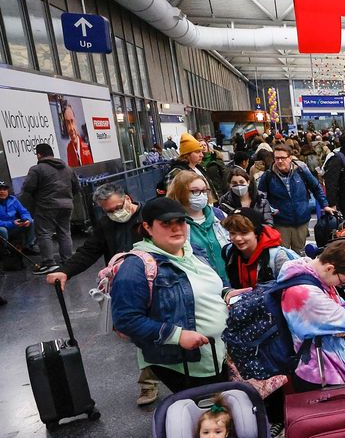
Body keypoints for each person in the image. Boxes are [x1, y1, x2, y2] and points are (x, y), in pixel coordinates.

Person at [45, 184, 157, 404]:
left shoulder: (150, 215)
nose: (115, 213)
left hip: (157, 280)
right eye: (108, 211)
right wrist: (65, 271)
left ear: (127, 198)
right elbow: (89, 251)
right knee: (142, 336)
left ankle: (162, 379)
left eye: (117, 207)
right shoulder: (106, 225)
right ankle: (149, 382)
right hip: (127, 287)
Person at [111, 197, 230, 394]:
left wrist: (227, 293)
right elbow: (126, 320)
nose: (176, 228)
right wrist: (177, 335)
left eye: (180, 221)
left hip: (218, 354)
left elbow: (207, 288)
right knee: (206, 411)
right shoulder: (135, 267)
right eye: (166, 223)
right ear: (148, 227)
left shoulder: (193, 252)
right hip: (186, 364)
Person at [277, 240, 345, 388]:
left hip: (326, 367)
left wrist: (343, 322)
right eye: (343, 282)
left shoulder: (314, 275)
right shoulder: (305, 293)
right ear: (330, 268)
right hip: (318, 375)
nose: (340, 286)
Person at [258, 143, 331, 254]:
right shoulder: (268, 175)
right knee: (283, 254)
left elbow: (316, 187)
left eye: (283, 158)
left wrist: (325, 205)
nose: (280, 161)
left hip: (301, 220)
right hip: (281, 222)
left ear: (290, 158)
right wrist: (270, 211)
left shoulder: (301, 170)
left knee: (299, 253)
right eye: (277, 158)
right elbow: (261, 198)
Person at [23, 143, 80, 275]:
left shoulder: (37, 169)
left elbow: (28, 188)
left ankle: (49, 263)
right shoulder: (67, 168)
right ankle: (67, 260)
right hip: (67, 205)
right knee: (64, 232)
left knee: (44, 233)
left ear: (39, 155)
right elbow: (77, 187)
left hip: (46, 206)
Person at [168, 171, 230, 282]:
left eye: (204, 191)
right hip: (200, 283)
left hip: (230, 281)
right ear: (180, 192)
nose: (201, 195)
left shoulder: (219, 215)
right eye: (195, 191)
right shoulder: (173, 224)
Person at [221, 209, 298, 290]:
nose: (237, 238)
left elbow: (292, 289)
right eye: (232, 233)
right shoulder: (229, 252)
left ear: (256, 232)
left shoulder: (276, 257)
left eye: (244, 232)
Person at [0, 180, 34, 257]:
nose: (2, 192)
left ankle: (27, 247)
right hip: (4, 227)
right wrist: (11, 223)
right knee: (2, 230)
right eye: (0, 190)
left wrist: (26, 219)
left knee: (32, 222)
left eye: (4, 189)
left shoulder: (13, 199)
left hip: (15, 225)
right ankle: (5, 250)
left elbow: (24, 212)